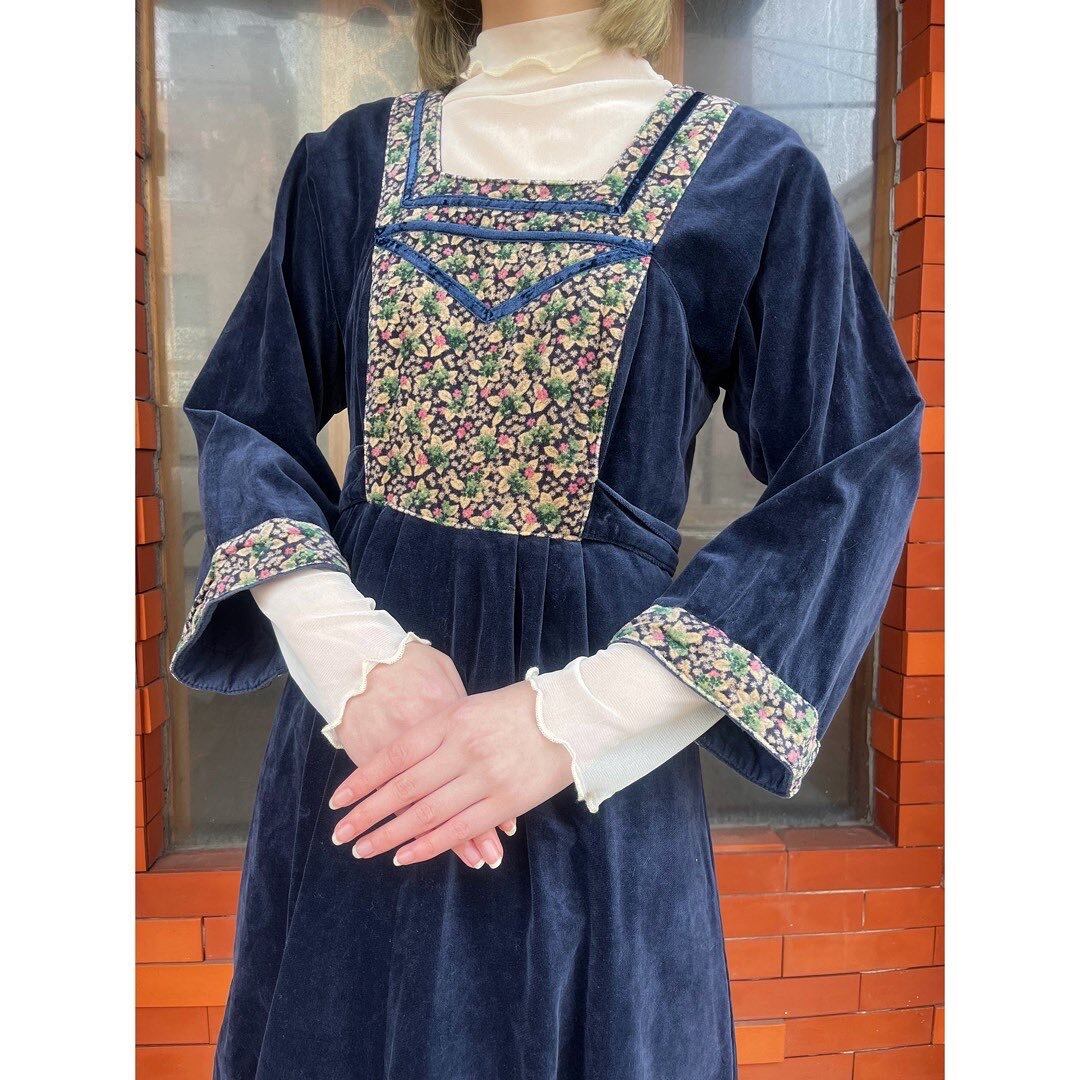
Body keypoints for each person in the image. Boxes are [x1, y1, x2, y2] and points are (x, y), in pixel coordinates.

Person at [170, 2, 923, 1076]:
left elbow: (855, 464)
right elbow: (247, 417)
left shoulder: (751, 178)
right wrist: (347, 655)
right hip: (370, 756)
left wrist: (574, 719)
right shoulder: (350, 167)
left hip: (590, 777)